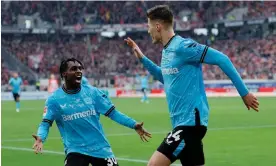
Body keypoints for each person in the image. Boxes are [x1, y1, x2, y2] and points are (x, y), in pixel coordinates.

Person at [125, 5, 259, 166]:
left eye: (149, 26)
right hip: (183, 124)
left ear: (158, 26)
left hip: (190, 125)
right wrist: (142, 58)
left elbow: (222, 59)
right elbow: (165, 77)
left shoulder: (183, 46)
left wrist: (244, 93)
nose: (148, 31)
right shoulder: (167, 51)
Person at [32, 58, 151, 166]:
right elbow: (45, 123)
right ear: (64, 74)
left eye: (80, 68)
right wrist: (40, 138)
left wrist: (134, 124)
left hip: (100, 148)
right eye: (74, 69)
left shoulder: (93, 93)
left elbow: (114, 113)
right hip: (75, 149)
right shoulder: (54, 100)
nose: (79, 71)